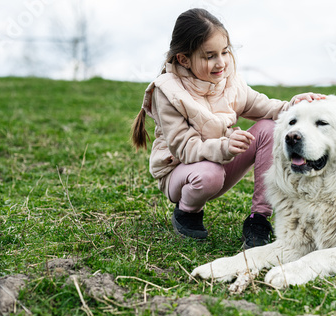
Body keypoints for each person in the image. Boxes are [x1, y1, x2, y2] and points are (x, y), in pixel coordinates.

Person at [132, 8, 324, 249]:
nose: (220, 62)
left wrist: (294, 105)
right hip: (180, 174)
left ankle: (259, 219)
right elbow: (184, 147)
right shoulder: (167, 91)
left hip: (220, 161)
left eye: (224, 52)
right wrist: (223, 146)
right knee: (209, 174)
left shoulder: (229, 79)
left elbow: (261, 106)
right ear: (184, 59)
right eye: (209, 55)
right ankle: (188, 212)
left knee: (268, 127)